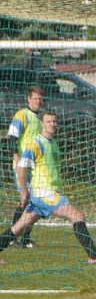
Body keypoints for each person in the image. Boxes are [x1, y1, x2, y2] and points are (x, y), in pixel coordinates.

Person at [0, 112, 96, 262]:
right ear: (42, 123)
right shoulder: (36, 144)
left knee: (18, 228)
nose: (52, 124)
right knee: (77, 216)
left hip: (44, 194)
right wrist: (24, 191)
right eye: (48, 121)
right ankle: (94, 257)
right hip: (44, 194)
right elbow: (21, 167)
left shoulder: (51, 142)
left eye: (54, 121)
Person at [6, 85, 45, 248]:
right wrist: (17, 160)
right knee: (25, 199)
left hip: (35, 167)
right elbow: (11, 138)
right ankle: (12, 237)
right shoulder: (22, 115)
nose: (38, 101)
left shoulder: (41, 118)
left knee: (34, 201)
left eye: (40, 98)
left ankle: (26, 238)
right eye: (35, 98)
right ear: (29, 99)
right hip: (22, 166)